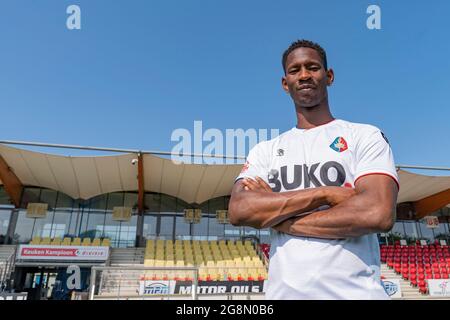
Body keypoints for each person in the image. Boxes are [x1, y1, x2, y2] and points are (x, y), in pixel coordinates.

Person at [228, 39, 399, 299]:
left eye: (313, 67)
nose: (304, 75)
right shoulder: (265, 150)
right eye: (295, 70)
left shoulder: (365, 136)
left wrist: (278, 217)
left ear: (329, 76)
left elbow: (377, 213)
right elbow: (240, 210)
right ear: (285, 84)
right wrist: (325, 195)